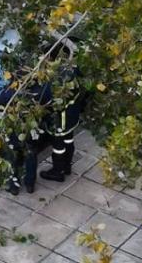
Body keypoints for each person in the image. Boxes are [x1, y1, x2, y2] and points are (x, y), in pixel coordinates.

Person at [0, 78, 52, 195]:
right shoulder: (42, 89)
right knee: (31, 155)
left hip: (14, 133)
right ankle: (30, 184)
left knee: (12, 159)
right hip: (32, 131)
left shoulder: (9, 93)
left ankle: (13, 186)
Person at [39, 46, 89, 182]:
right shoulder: (73, 71)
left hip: (60, 119)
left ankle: (57, 171)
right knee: (69, 139)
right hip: (73, 114)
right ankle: (67, 166)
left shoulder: (57, 79)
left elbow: (47, 98)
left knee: (58, 147)